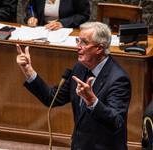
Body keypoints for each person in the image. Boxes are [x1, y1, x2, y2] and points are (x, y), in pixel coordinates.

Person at [16, 22, 132, 150]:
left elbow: (116, 124)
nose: (77, 46)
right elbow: (51, 98)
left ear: (99, 49)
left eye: (84, 42)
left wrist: (92, 101)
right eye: (78, 41)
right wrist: (28, 71)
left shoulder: (118, 79)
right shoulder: (80, 68)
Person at [24, 0, 90, 31]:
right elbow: (31, 8)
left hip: (66, 31)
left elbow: (84, 15)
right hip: (42, 31)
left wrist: (62, 23)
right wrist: (32, 16)